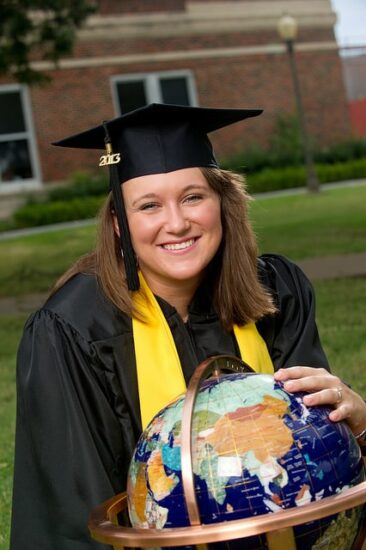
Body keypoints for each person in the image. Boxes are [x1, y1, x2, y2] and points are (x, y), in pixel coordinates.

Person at [10, 103, 366, 550]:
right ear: (120, 224)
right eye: (149, 205)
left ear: (223, 202)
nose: (176, 223)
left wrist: (359, 422)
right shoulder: (72, 330)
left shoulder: (277, 292)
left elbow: (319, 466)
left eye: (193, 197)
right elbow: (71, 522)